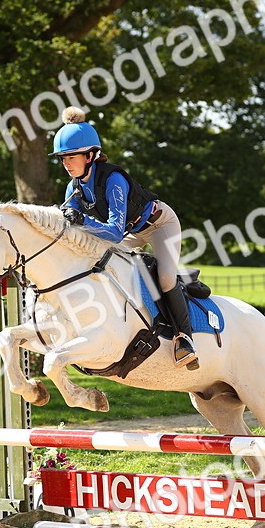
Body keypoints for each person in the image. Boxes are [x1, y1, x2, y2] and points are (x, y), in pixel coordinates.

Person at [51, 107, 198, 370]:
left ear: (90, 156)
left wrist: (82, 220)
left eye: (71, 156)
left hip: (159, 225)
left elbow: (114, 232)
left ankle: (184, 338)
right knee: (101, 266)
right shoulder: (72, 188)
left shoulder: (113, 179)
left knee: (165, 278)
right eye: (63, 158)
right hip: (132, 232)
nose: (66, 163)